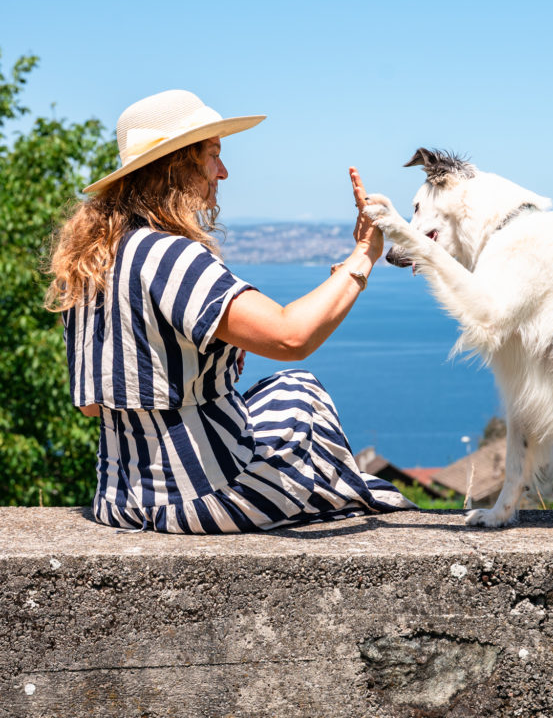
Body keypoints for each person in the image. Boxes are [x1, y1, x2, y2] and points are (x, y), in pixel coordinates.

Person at [46, 88, 415, 533]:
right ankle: (349, 495)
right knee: (299, 393)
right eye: (213, 155)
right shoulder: (169, 255)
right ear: (177, 165)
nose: (223, 171)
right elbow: (290, 336)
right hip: (200, 499)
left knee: (267, 401)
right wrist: (363, 256)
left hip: (118, 501)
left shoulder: (90, 263)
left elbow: (91, 406)